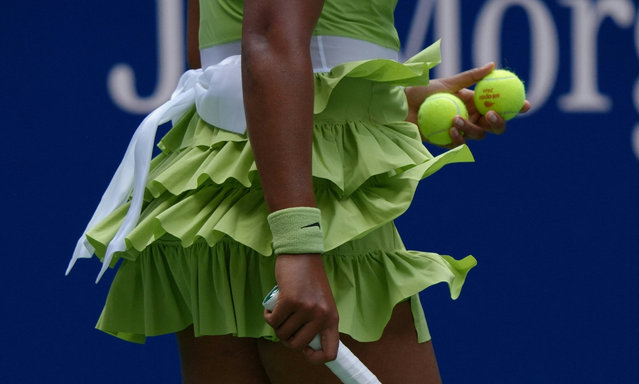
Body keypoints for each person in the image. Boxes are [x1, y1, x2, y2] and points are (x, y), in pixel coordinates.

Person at [69, 0, 530, 383]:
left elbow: (213, 53)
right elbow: (269, 36)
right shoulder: (301, 232)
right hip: (305, 198)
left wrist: (385, 101)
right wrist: (298, 244)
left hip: (212, 192)